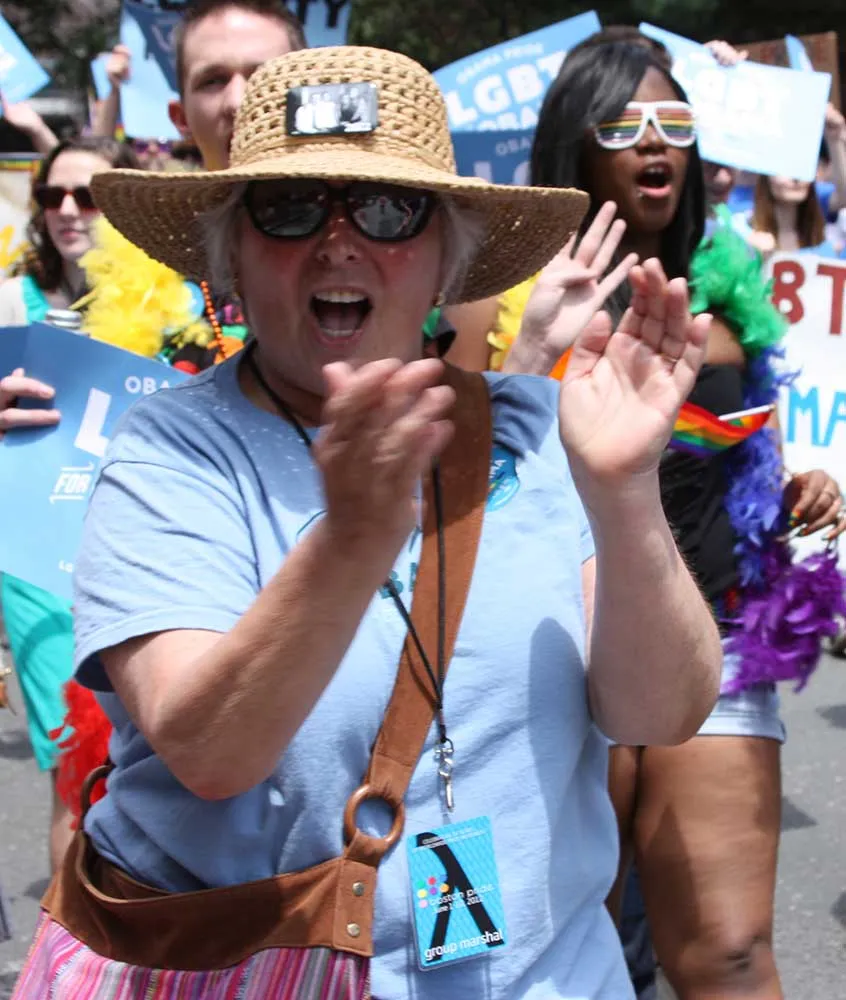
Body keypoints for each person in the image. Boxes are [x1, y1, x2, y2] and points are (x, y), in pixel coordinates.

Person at [14, 45, 721, 1000]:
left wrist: (626, 488)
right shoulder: (171, 454)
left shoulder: (543, 428)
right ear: (230, 257)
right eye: (289, 209)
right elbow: (210, 752)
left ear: (446, 262)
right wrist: (352, 542)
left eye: (389, 210)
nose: (338, 243)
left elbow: (662, 713)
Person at [496, 36, 846, 1000]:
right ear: (577, 142)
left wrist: (793, 484)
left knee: (727, 955)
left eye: (675, 123)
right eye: (625, 126)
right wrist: (530, 353)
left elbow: (746, 437)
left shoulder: (727, 276)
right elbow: (468, 464)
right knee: (574, 948)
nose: (655, 142)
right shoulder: (512, 280)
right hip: (557, 641)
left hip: (715, 626)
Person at [0, 136, 139, 873]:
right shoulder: (7, 300)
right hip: (36, 560)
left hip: (143, 544)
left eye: (86, 195)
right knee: (77, 757)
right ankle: (74, 936)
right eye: (52, 195)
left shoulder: (182, 302)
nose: (65, 209)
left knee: (151, 753)